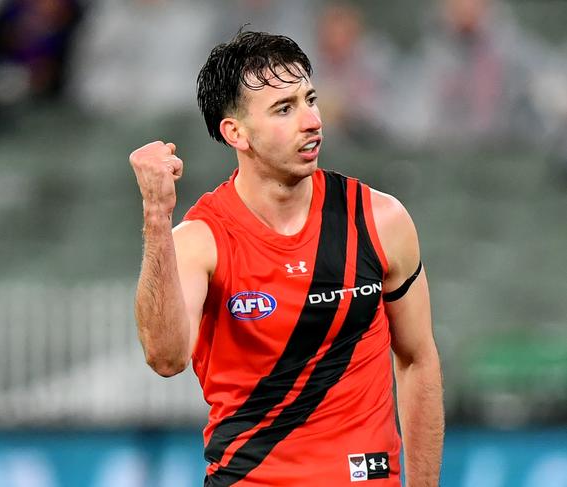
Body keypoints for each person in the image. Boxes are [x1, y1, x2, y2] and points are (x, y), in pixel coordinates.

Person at [129, 31, 444, 486]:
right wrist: (157, 216)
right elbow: (165, 359)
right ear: (235, 132)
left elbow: (418, 359)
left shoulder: (379, 219)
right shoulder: (202, 240)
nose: (312, 120)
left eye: (310, 99)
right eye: (284, 108)